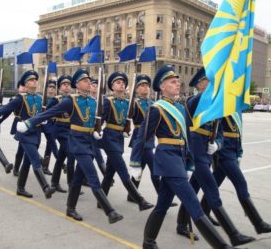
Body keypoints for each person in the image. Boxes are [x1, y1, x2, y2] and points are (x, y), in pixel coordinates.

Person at [130, 65, 233, 249]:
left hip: (178, 160)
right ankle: (222, 246)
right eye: (172, 82)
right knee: (194, 204)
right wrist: (136, 163)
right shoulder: (157, 109)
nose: (177, 84)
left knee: (162, 204)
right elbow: (142, 137)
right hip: (167, 159)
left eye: (178, 82)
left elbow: (185, 138)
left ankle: (148, 242)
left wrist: (188, 162)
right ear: (162, 86)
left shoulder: (180, 108)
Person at [17, 69, 123, 224]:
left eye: (89, 80)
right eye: (85, 80)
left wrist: (98, 131)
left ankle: (70, 208)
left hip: (90, 143)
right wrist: (28, 123)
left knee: (79, 177)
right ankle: (110, 211)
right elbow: (48, 113)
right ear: (78, 84)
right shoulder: (70, 100)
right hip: (77, 143)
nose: (89, 82)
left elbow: (100, 121)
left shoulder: (95, 101)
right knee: (93, 176)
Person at [175, 68, 254, 246]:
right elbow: (187, 128)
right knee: (212, 191)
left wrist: (217, 144)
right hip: (196, 154)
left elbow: (219, 132)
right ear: (199, 84)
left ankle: (181, 224)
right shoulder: (193, 102)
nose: (213, 85)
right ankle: (233, 234)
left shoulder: (214, 105)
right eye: (209, 81)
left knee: (192, 190)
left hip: (207, 153)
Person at [0, 70, 55, 199]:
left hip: (36, 133)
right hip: (24, 134)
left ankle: (20, 188)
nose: (34, 82)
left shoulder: (39, 98)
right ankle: (45, 187)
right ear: (25, 84)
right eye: (31, 80)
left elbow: (46, 113)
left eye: (35, 80)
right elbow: (4, 109)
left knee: (27, 162)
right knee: (35, 159)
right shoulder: (21, 98)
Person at [201, 112, 271, 235]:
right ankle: (258, 223)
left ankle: (204, 210)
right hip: (224, 152)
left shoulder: (236, 109)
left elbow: (238, 132)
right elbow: (214, 128)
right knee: (241, 183)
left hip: (233, 151)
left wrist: (239, 152)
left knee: (214, 184)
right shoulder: (222, 104)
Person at [99, 71, 153, 211]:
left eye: (123, 82)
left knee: (110, 171)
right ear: (112, 86)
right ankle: (139, 199)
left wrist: (126, 129)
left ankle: (101, 199)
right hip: (109, 138)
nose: (121, 84)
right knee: (122, 170)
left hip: (119, 139)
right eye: (118, 82)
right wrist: (97, 131)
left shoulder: (129, 104)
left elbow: (131, 120)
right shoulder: (108, 101)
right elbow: (101, 120)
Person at [128, 74, 160, 203]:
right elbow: (128, 118)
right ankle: (163, 196)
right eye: (142, 86)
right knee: (155, 169)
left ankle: (132, 195)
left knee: (139, 168)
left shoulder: (153, 103)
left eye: (147, 85)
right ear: (136, 89)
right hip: (140, 138)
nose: (145, 88)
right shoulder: (134, 104)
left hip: (150, 138)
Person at [40, 79, 59, 175]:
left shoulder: (57, 99)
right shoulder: (42, 98)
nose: (51, 89)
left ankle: (45, 167)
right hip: (41, 122)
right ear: (46, 88)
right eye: (50, 87)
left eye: (54, 87)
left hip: (52, 124)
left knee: (50, 145)